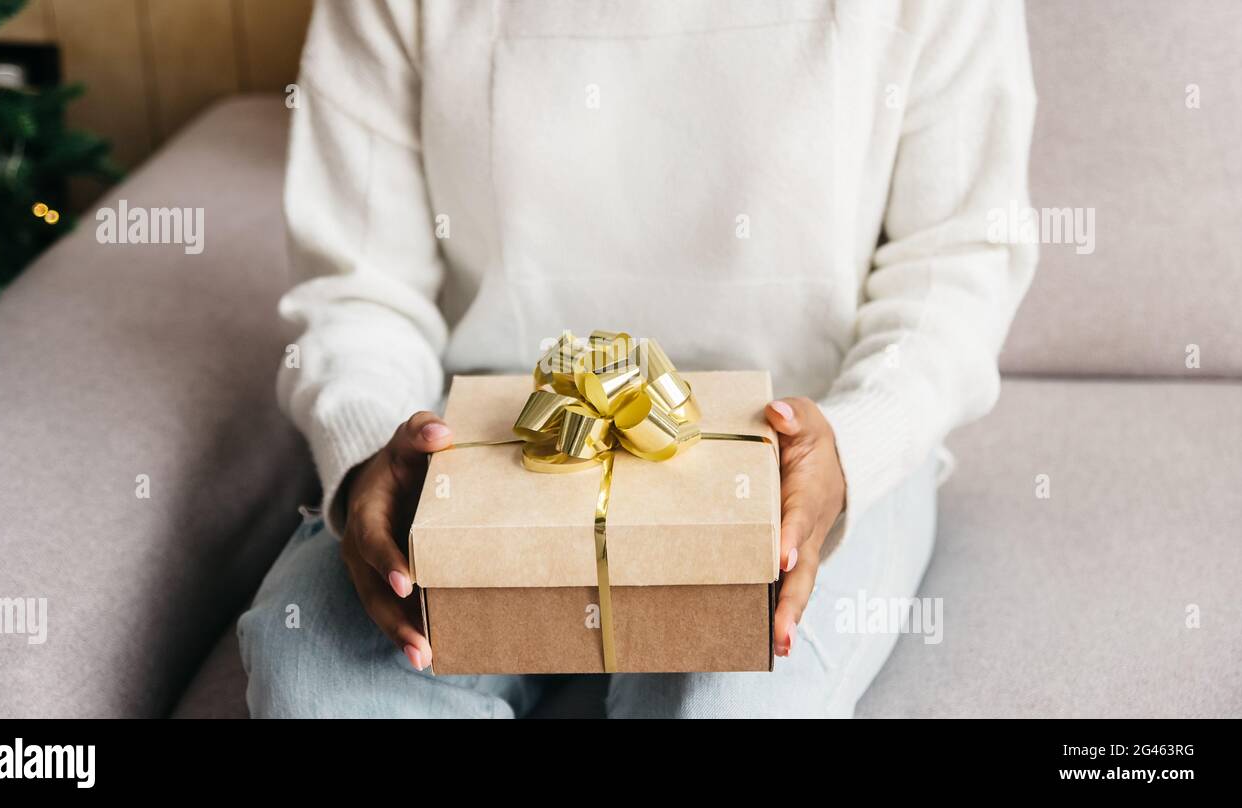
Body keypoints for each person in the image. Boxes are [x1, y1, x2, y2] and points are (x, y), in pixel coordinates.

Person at [238, 0, 1037, 718]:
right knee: (316, 678)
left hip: (812, 444)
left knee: (725, 700)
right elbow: (358, 280)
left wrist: (860, 442)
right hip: (485, 446)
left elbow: (959, 258)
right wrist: (372, 443)